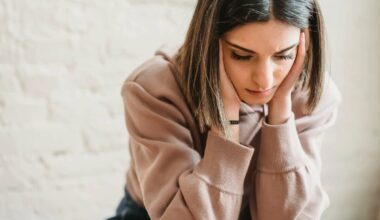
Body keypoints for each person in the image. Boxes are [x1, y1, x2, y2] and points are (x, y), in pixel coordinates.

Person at [107, 0, 341, 219]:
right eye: (241, 55)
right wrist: (226, 121)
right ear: (208, 40)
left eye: (283, 55)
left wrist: (280, 115)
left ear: (305, 43)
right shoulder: (153, 90)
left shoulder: (312, 95)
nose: (264, 80)